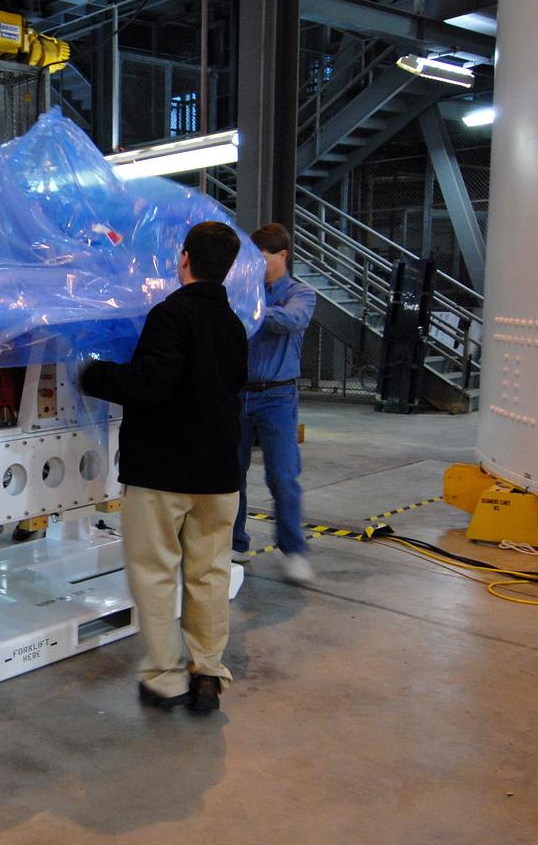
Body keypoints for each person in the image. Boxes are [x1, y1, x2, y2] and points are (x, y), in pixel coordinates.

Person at [80, 221, 248, 715]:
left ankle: (166, 678)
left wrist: (92, 373)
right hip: (220, 475)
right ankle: (208, 671)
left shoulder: (169, 314)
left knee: (155, 574)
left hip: (163, 473)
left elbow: (149, 384)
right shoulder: (234, 324)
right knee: (210, 574)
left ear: (185, 259)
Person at [230, 223, 317, 582]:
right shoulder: (242, 292)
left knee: (282, 475)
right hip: (238, 393)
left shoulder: (301, 294)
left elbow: (289, 320)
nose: (257, 267)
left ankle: (293, 550)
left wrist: (249, 310)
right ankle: (235, 543)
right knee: (231, 474)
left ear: (283, 255)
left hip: (277, 397)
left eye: (263, 259)